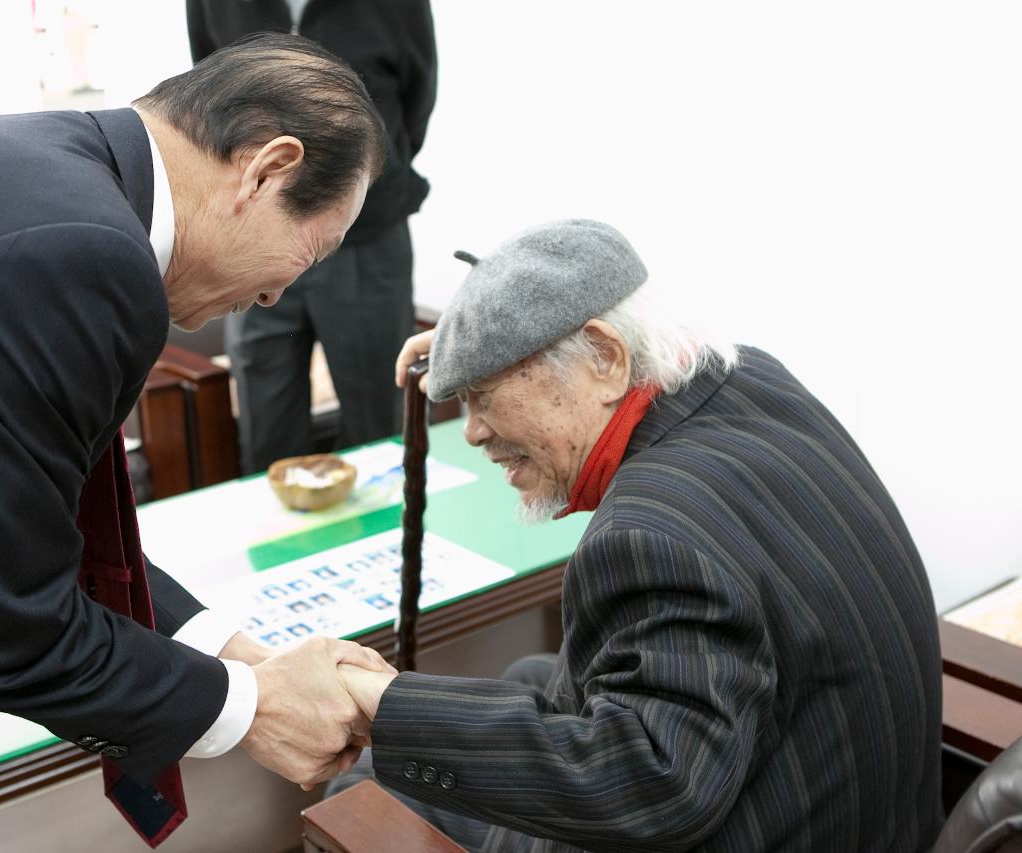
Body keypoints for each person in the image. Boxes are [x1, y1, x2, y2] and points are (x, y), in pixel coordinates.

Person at [0, 34, 392, 851]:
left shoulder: (46, 179)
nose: (278, 293)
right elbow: (2, 626)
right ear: (267, 170)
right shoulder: (74, 250)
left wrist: (244, 659)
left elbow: (34, 524)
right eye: (313, 252)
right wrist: (253, 709)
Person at [333, 220, 944, 851]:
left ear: (605, 355)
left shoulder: (652, 538)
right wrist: (478, 349)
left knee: (366, 783)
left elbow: (652, 791)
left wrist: (386, 704)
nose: (474, 431)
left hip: (759, 820)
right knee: (525, 671)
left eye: (484, 394)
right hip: (860, 799)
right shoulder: (753, 381)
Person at [187, 0, 438, 473]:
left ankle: (385, 543)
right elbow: (208, 86)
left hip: (367, 236)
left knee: (376, 429)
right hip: (251, 233)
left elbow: (417, 96)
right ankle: (280, 543)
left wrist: (365, 181)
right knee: (266, 426)